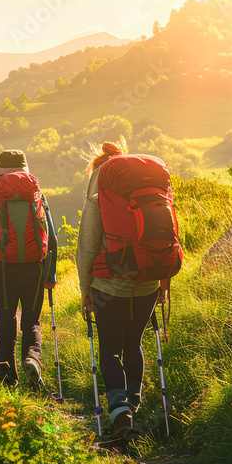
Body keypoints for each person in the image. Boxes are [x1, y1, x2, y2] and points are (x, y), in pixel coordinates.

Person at [76, 139, 168, 443]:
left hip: (110, 282)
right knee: (133, 343)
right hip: (149, 280)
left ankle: (120, 413)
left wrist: (85, 288)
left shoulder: (99, 181)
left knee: (110, 348)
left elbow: (88, 241)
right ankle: (135, 404)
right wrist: (164, 282)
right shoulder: (146, 180)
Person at [0, 149, 58, 389]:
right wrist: (50, 273)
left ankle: (8, 382)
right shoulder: (38, 197)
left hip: (3, 270)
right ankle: (32, 359)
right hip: (35, 267)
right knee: (31, 321)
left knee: (5, 322)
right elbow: (52, 237)